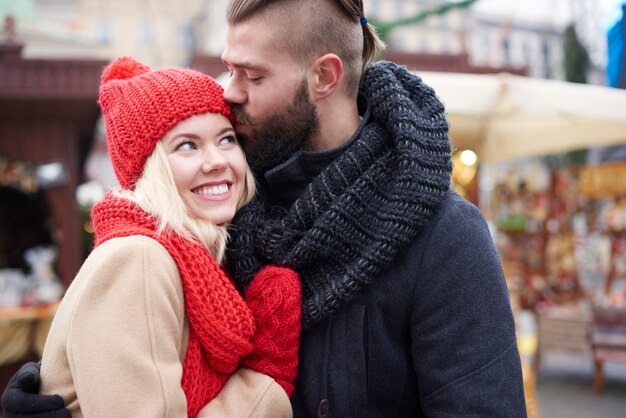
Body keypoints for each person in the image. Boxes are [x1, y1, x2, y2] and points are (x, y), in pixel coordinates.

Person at [2, 0, 528, 416]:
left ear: (323, 77)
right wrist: (72, 396)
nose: (228, 93)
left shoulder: (444, 236)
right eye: (229, 69)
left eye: (251, 77)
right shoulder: (219, 216)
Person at [2, 56, 302, 418]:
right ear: (148, 170)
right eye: (187, 145)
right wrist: (265, 379)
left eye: (226, 139)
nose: (216, 160)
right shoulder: (139, 258)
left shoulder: (206, 258)